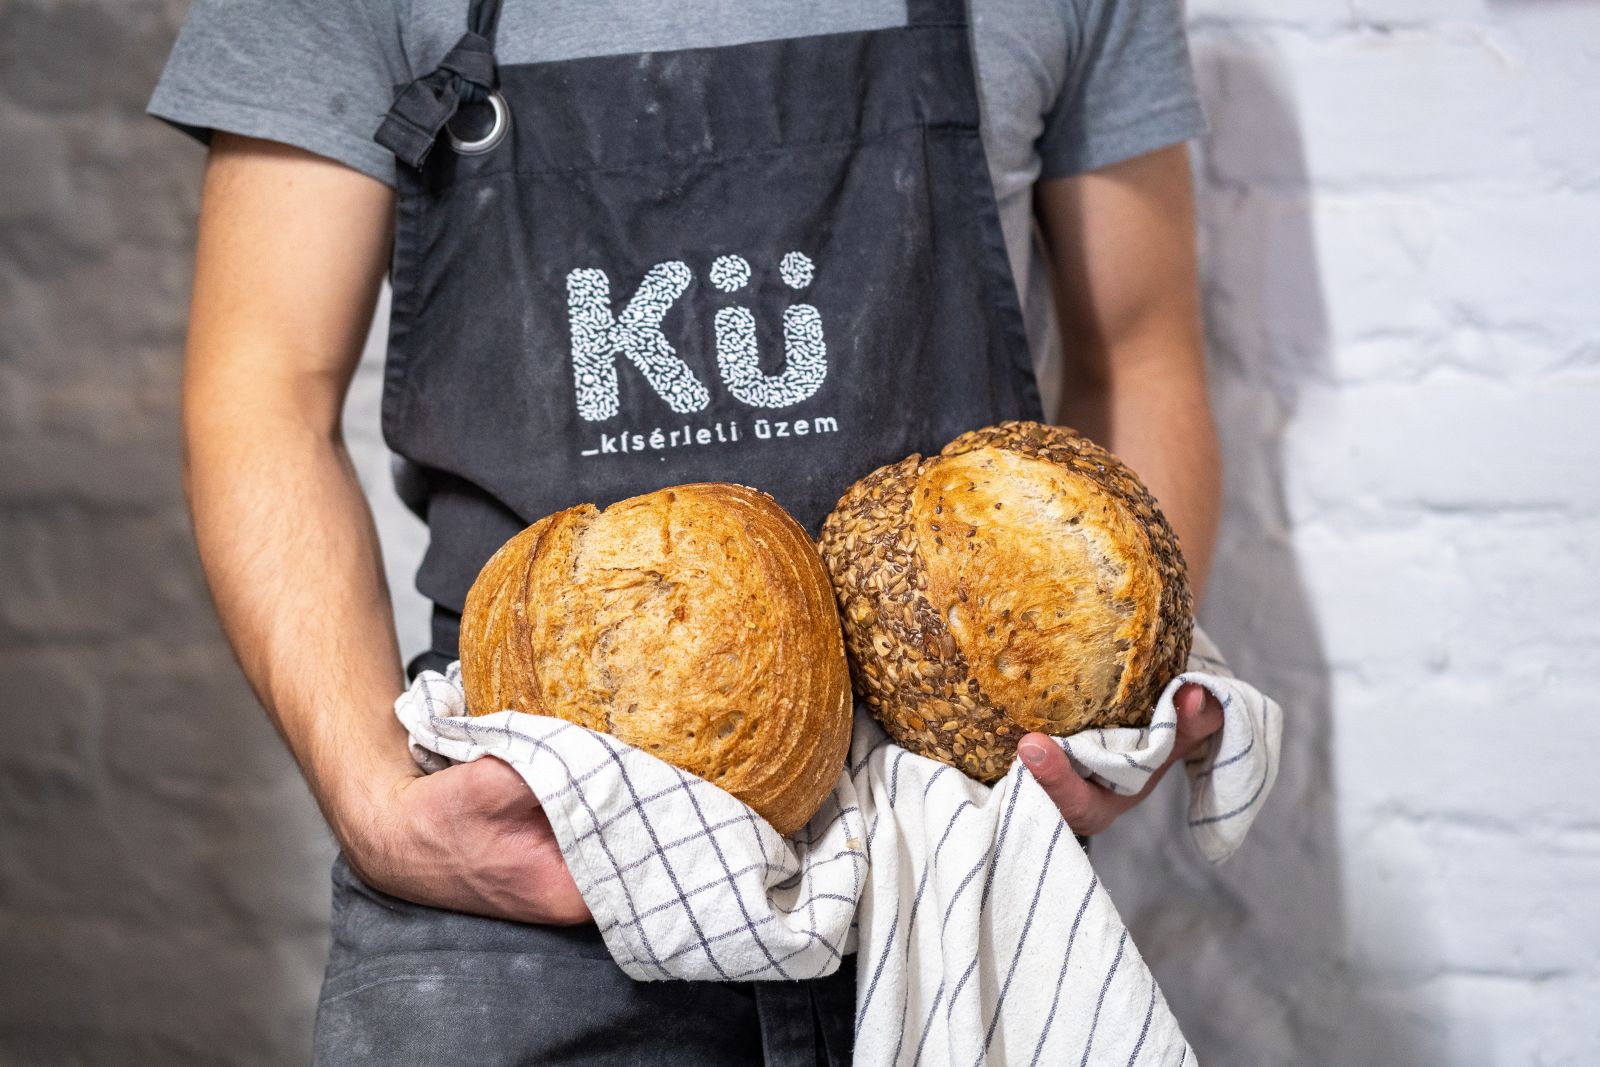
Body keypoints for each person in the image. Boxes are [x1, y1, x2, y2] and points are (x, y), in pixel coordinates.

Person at [152, 0, 1227, 1062]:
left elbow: (1138, 355)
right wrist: (375, 804)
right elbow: (265, 394)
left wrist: (1111, 719)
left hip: (952, 850)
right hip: (525, 857)